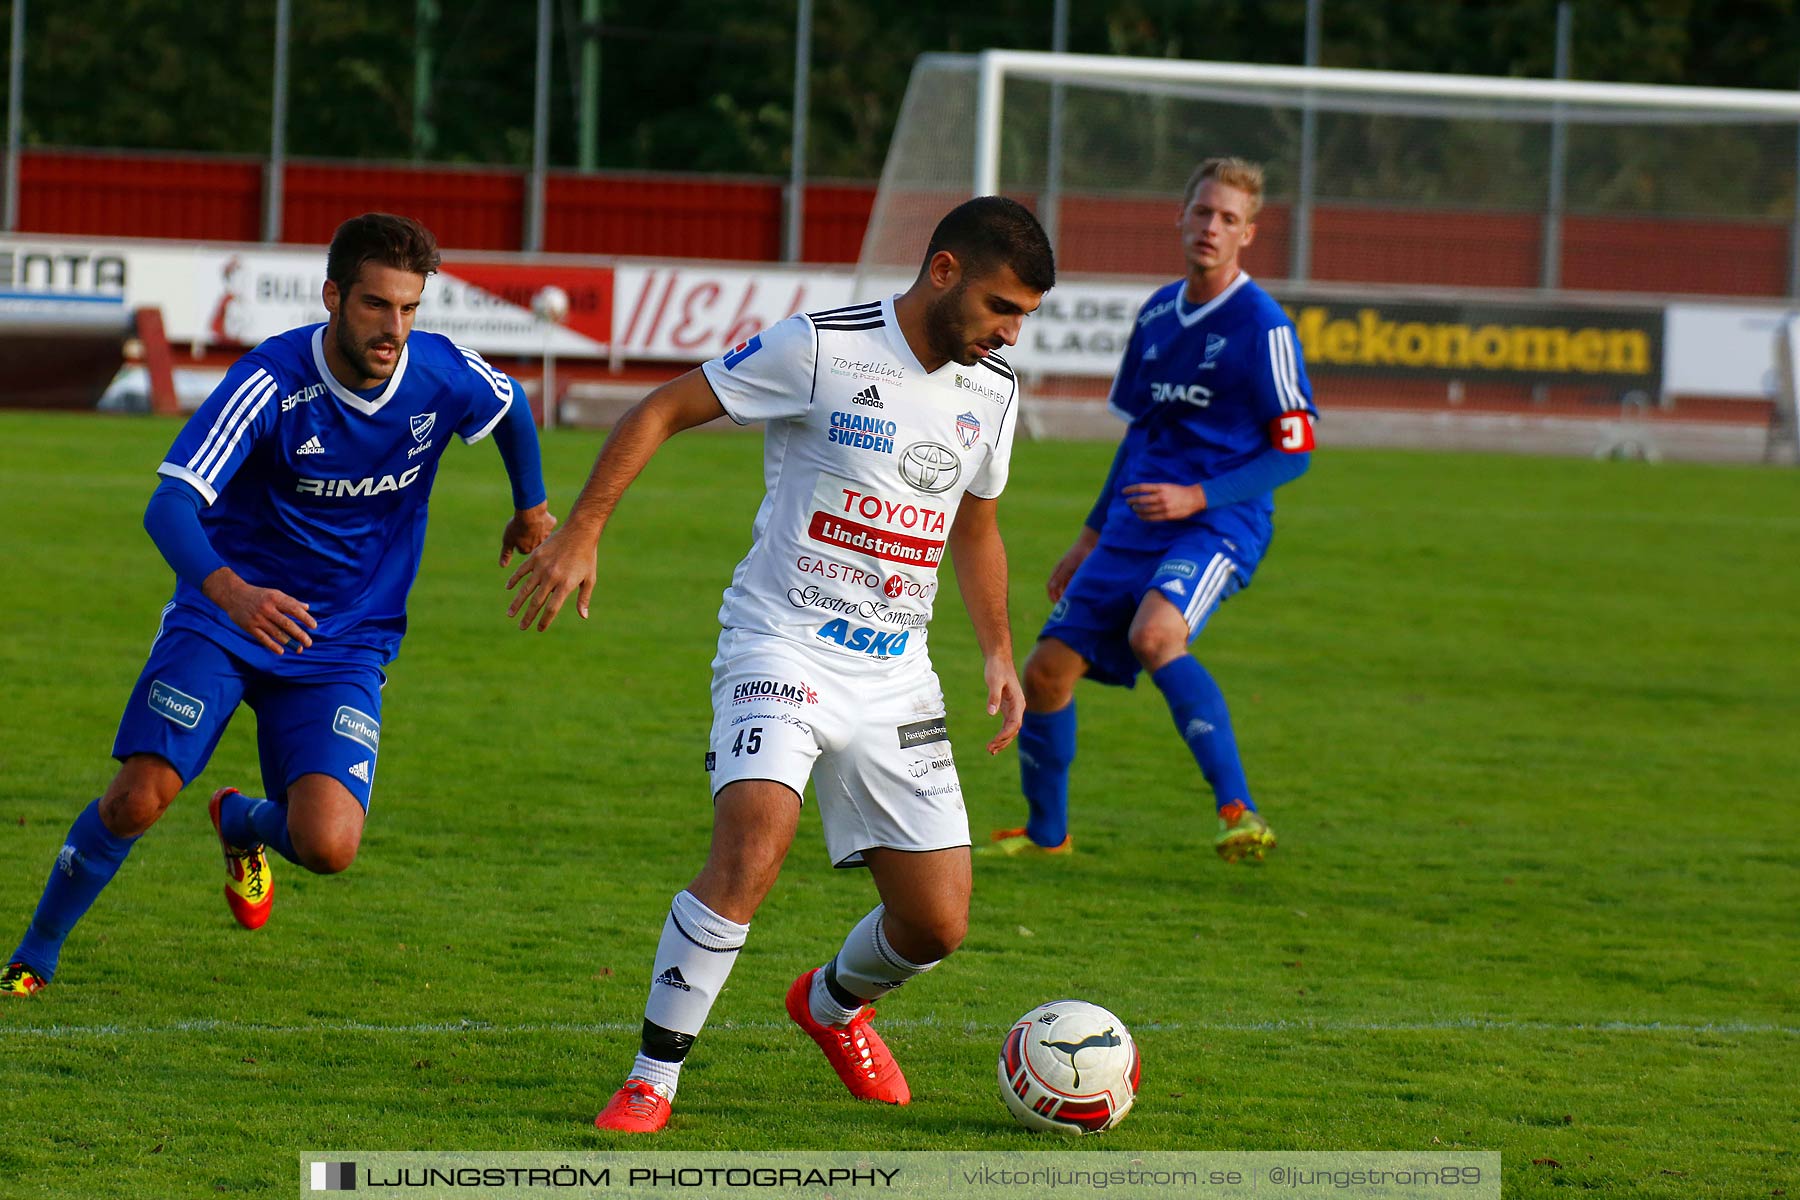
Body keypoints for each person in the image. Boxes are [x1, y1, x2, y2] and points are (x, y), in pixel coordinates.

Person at [507, 197, 1054, 1133]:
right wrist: (586, 526)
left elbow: (977, 523)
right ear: (945, 272)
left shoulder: (993, 391)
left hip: (896, 675)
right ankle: (652, 1078)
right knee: (752, 847)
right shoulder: (822, 345)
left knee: (937, 925)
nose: (1012, 333)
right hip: (782, 642)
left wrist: (999, 650)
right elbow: (664, 407)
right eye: (1004, 308)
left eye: (1025, 318)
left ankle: (832, 1004)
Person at [2, 213, 555, 998]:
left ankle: (240, 821)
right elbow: (169, 505)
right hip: (225, 620)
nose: (393, 327)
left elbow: (511, 406)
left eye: (409, 308)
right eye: (374, 306)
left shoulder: (439, 375)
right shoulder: (270, 381)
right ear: (333, 295)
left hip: (345, 642)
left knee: (328, 845)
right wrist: (231, 591)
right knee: (138, 798)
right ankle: (35, 952)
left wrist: (531, 507)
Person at [986, 157, 1316, 865]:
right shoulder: (1159, 312)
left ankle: (1238, 812)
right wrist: (1087, 537)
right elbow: (1139, 433)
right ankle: (1048, 838)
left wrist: (1198, 496)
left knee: (1156, 634)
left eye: (1229, 218)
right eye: (1203, 212)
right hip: (1134, 523)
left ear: (1248, 235)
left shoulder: (1265, 328)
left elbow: (1294, 453)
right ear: (1181, 216)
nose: (1212, 227)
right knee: (1045, 672)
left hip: (1217, 521)